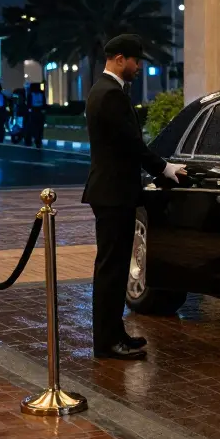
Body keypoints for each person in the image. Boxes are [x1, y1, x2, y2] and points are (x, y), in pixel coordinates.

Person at [82, 34, 185, 359]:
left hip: (112, 191)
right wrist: (165, 169)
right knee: (111, 270)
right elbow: (132, 144)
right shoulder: (110, 94)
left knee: (112, 268)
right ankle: (107, 342)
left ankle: (115, 333)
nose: (139, 66)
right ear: (120, 59)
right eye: (136, 60)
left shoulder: (106, 91)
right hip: (113, 194)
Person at [23, 82, 47, 148]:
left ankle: (31, 140)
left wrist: (29, 111)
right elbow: (44, 104)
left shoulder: (30, 95)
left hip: (33, 112)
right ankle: (38, 140)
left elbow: (28, 105)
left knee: (31, 127)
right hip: (40, 112)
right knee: (39, 127)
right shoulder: (41, 94)